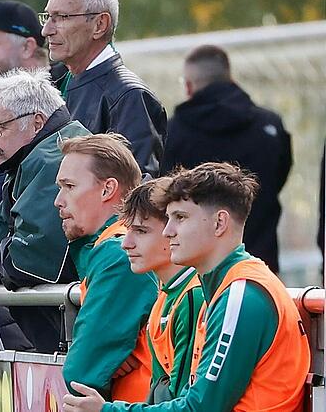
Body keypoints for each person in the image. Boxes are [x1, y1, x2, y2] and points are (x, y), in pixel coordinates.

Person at [64, 162, 310, 412]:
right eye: (169, 218)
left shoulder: (241, 294)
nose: (168, 231)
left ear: (219, 223)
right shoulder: (220, 288)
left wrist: (107, 411)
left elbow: (200, 407)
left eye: (180, 217)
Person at [0, 68, 87, 353]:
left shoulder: (51, 158)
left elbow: (28, 258)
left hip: (74, 327)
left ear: (37, 122)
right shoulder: (29, 159)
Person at [161, 44, 292, 273]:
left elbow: (165, 193)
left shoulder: (172, 134)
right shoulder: (269, 125)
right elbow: (280, 176)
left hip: (196, 271)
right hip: (262, 264)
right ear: (230, 78)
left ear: (189, 86)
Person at [54, 133, 156, 402]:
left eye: (69, 186)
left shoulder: (119, 252)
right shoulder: (118, 246)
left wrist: (102, 362)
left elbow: (82, 374)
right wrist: (110, 360)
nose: (58, 200)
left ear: (108, 189)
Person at [41, 0, 166, 177]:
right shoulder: (60, 83)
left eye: (61, 17)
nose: (46, 30)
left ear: (100, 24)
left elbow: (134, 187)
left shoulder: (129, 97)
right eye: (47, 17)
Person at [119, 179, 204, 403]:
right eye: (128, 231)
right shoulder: (166, 295)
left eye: (141, 231)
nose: (126, 243)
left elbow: (180, 401)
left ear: (174, 231)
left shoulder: (194, 296)